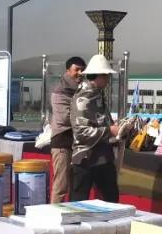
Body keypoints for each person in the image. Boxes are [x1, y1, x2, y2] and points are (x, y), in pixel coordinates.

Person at [70, 55, 122, 202]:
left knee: (111, 200)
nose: (108, 79)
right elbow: (81, 132)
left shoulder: (98, 94)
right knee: (79, 204)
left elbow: (102, 121)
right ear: (98, 76)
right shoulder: (83, 97)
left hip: (103, 158)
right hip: (85, 158)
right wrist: (110, 131)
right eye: (106, 75)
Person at [50, 56, 85, 203]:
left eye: (82, 70)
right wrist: (86, 118)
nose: (80, 73)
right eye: (77, 69)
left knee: (74, 186)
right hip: (62, 143)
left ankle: (70, 214)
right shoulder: (60, 91)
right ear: (67, 71)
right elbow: (64, 118)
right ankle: (53, 213)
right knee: (61, 185)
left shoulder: (80, 90)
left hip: (75, 144)